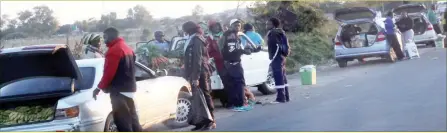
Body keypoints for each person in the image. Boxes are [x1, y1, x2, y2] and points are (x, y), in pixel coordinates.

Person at [92, 27, 142, 132]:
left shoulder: (114, 51)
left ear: (111, 36)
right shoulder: (127, 48)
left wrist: (98, 88)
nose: (104, 40)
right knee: (133, 119)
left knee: (122, 122)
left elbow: (109, 73)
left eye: (105, 37)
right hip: (130, 88)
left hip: (119, 90)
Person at [182, 21, 216, 131]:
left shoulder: (196, 39)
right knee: (197, 98)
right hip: (195, 72)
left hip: (200, 72)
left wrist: (195, 77)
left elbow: (197, 59)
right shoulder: (192, 38)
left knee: (205, 96)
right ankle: (201, 122)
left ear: (188, 29)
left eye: (184, 29)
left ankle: (211, 121)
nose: (184, 32)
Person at [219, 19, 254, 111]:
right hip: (233, 63)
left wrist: (243, 51)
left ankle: (232, 104)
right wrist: (244, 51)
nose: (238, 27)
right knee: (239, 84)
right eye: (235, 25)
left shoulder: (233, 35)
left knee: (232, 85)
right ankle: (240, 104)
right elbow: (231, 50)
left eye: (239, 25)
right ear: (231, 26)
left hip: (228, 63)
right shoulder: (230, 36)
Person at [266, 17, 290, 104]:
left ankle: (280, 98)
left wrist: (273, 58)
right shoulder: (280, 32)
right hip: (282, 57)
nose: (266, 25)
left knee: (278, 77)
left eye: (268, 24)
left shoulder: (273, 33)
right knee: (283, 77)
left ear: (273, 25)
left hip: (277, 58)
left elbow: (276, 47)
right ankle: (286, 96)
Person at [206, 20, 230, 107]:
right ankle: (226, 102)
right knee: (224, 83)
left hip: (230, 62)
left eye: (217, 26)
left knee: (232, 81)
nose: (216, 28)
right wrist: (217, 57)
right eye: (213, 27)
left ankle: (235, 100)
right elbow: (208, 52)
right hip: (219, 64)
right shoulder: (209, 39)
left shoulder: (226, 35)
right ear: (210, 28)